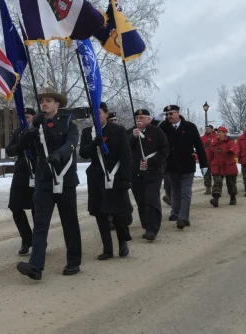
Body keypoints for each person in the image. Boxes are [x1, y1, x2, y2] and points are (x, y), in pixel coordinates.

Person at [16, 87, 81, 281]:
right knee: (41, 223)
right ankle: (36, 266)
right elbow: (21, 145)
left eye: (48, 100)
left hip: (64, 176)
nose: (44, 104)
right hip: (44, 179)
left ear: (57, 104)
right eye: (42, 101)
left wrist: (59, 154)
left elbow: (71, 143)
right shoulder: (38, 125)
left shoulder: (69, 121)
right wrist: (31, 128)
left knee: (69, 221)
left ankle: (74, 261)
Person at [79, 102, 133, 260]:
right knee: (100, 214)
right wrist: (93, 144)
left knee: (118, 213)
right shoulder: (88, 132)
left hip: (115, 175)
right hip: (96, 176)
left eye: (99, 113)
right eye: (93, 114)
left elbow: (126, 155)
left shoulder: (118, 130)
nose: (96, 117)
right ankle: (107, 249)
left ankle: (123, 242)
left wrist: (126, 178)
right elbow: (83, 153)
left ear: (106, 114)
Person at [158, 105, 207, 229]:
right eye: (167, 114)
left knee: (185, 192)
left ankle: (183, 217)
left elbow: (199, 146)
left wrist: (204, 165)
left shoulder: (190, 127)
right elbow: (152, 133)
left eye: (171, 113)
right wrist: (155, 120)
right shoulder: (163, 127)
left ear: (178, 113)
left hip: (187, 164)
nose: (169, 116)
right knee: (175, 191)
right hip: (171, 165)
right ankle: (175, 212)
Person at [129, 109, 169, 241]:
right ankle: (146, 226)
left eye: (141, 117)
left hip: (153, 173)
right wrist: (132, 138)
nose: (139, 120)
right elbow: (124, 149)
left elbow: (165, 150)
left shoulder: (156, 131)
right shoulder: (130, 132)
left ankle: (153, 229)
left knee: (152, 199)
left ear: (148, 119)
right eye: (137, 118)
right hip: (136, 173)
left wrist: (151, 162)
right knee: (141, 201)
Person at [5, 108, 37, 256]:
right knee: (15, 206)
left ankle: (39, 240)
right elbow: (9, 150)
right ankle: (27, 239)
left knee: (37, 209)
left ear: (34, 117)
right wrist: (19, 146)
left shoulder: (39, 131)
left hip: (36, 172)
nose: (24, 120)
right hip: (21, 173)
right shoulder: (18, 132)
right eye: (22, 117)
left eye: (28, 117)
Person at [207, 126, 239, 207]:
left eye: (220, 132)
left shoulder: (229, 141)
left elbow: (236, 148)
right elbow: (211, 154)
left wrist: (231, 151)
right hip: (217, 165)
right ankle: (215, 199)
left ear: (224, 133)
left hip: (228, 165)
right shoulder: (214, 142)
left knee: (231, 183)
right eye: (217, 132)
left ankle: (233, 197)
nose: (218, 134)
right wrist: (210, 163)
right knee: (217, 182)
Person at [201, 125, 215, 195]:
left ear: (212, 129)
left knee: (216, 175)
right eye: (206, 128)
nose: (207, 130)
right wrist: (198, 157)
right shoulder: (203, 138)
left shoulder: (216, 137)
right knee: (206, 175)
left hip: (214, 159)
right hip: (205, 159)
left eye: (208, 128)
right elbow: (199, 148)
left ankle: (216, 189)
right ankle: (208, 188)